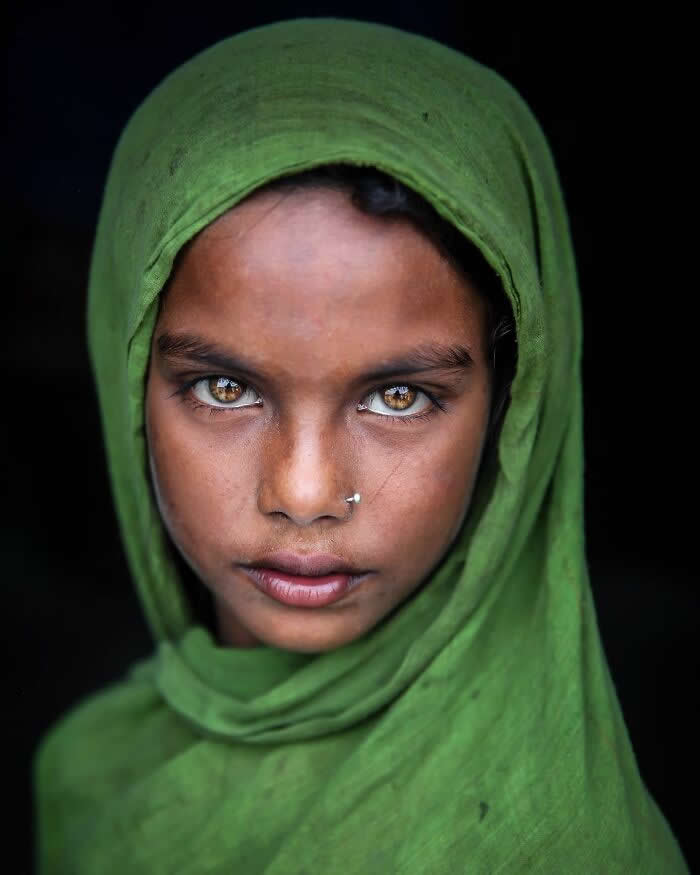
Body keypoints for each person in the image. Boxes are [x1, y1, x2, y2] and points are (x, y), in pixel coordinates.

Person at [33, 17, 689, 873]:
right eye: (224, 388)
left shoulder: (566, 848)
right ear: (127, 381)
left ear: (511, 408)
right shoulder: (92, 768)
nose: (305, 493)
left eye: (399, 396)